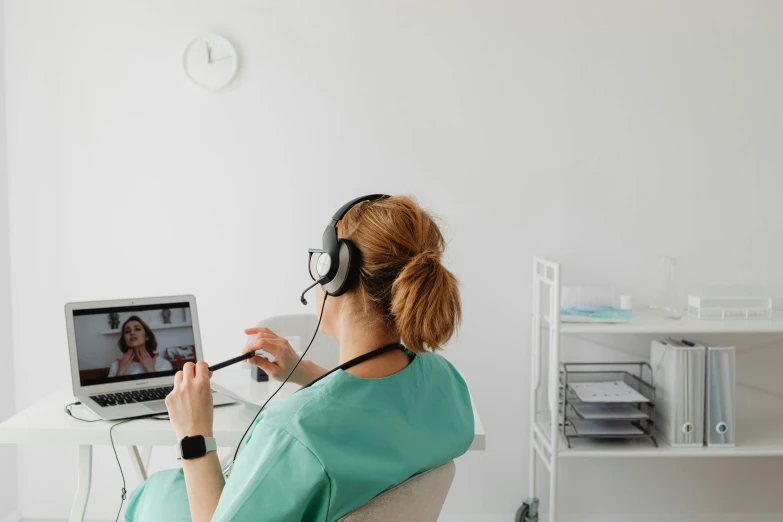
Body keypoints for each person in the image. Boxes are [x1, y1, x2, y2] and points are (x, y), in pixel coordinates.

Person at [125, 196, 474, 521]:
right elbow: (375, 416)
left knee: (148, 494)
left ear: (337, 274)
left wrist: (193, 434)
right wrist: (304, 373)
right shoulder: (444, 381)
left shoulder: (291, 434)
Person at [108, 315, 173, 377]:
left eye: (137, 329)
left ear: (147, 336)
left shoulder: (164, 365)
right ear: (124, 340)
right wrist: (120, 371)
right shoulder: (116, 366)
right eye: (127, 331)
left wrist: (151, 370)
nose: (132, 333)